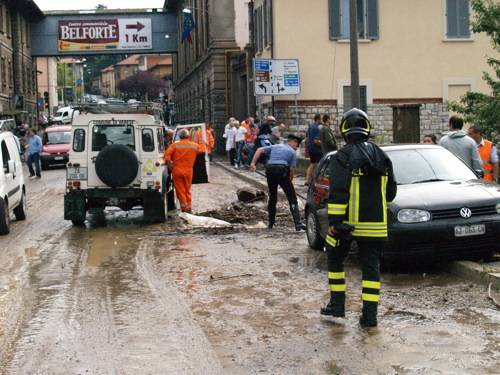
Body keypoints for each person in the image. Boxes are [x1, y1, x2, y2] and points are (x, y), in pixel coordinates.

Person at [320, 108, 397, 328]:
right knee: (371, 269)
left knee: (334, 259)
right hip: (376, 226)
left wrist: (334, 223)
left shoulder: (342, 156)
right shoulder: (381, 155)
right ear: (367, 128)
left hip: (347, 226)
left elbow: (337, 193)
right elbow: (391, 192)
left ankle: (338, 305)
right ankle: (370, 316)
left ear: (344, 130)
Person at [250, 134, 306, 231]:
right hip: (282, 170)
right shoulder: (292, 152)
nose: (297, 148)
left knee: (273, 197)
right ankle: (298, 224)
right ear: (293, 142)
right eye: (297, 145)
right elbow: (291, 171)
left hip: (270, 170)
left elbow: (259, 149)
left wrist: (253, 164)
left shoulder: (275, 146)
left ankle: (271, 223)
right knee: (292, 198)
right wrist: (289, 184)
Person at [164, 129, 203, 213]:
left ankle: (184, 208)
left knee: (180, 190)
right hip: (189, 171)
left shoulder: (174, 145)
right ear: (188, 136)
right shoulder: (194, 145)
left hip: (177, 170)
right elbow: (202, 151)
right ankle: (189, 207)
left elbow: (166, 155)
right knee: (187, 190)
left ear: (180, 136)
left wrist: (169, 163)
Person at [306, 114, 323, 184]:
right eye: (321, 119)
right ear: (318, 119)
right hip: (316, 149)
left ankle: (308, 180)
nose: (322, 120)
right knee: (318, 165)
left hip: (311, 148)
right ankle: (316, 180)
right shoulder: (316, 128)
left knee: (312, 164)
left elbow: (307, 137)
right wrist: (323, 145)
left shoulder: (310, 126)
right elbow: (316, 141)